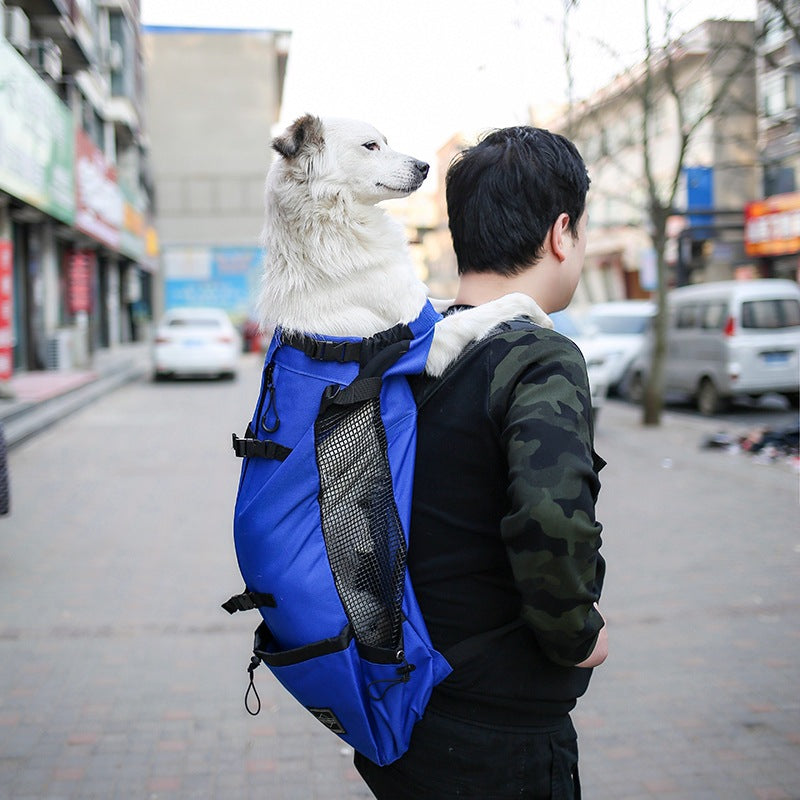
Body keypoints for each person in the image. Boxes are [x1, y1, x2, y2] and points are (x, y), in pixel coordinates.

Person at [354, 126, 607, 799]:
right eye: (583, 232)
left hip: (403, 711)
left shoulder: (407, 355)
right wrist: (578, 636)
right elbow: (551, 521)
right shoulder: (539, 357)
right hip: (500, 734)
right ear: (561, 233)